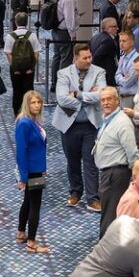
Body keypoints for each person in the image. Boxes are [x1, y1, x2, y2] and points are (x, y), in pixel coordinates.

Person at [52, 43, 106, 211]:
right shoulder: (63, 73)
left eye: (90, 57)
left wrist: (78, 94)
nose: (89, 60)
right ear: (76, 58)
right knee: (72, 160)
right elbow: (61, 99)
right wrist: (88, 99)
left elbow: (102, 95)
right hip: (69, 125)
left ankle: (92, 198)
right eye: (85, 58)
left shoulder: (99, 72)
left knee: (90, 162)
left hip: (91, 124)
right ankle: (75, 192)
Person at [95, 87, 139, 238]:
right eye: (103, 100)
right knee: (108, 211)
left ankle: (106, 251)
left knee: (110, 215)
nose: (106, 103)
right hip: (109, 172)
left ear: (117, 101)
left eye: (109, 99)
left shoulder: (122, 122)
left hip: (117, 174)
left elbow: (132, 152)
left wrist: (135, 175)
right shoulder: (109, 119)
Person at [15, 90, 49, 253]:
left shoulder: (31, 121)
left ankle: (21, 233)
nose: (37, 105)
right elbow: (21, 151)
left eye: (39, 102)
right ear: (27, 105)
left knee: (28, 202)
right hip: (32, 171)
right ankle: (32, 243)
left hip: (36, 169)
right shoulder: (24, 123)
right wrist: (23, 176)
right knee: (35, 205)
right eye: (33, 103)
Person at [4, 12, 40, 117]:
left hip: (16, 69)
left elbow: (8, 53)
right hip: (29, 68)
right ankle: (30, 113)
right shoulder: (32, 35)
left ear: (15, 22)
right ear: (27, 22)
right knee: (28, 91)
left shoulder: (10, 36)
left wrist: (14, 67)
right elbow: (36, 52)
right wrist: (32, 67)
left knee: (16, 91)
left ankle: (17, 113)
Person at [51, 0, 79, 92]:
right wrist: (72, 34)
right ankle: (62, 86)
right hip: (64, 32)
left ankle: (54, 82)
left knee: (57, 57)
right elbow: (69, 18)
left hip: (56, 30)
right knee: (66, 59)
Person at [90, 17, 120, 86]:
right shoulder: (108, 41)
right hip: (106, 77)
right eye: (115, 26)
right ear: (107, 28)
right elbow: (97, 57)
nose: (117, 29)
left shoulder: (95, 37)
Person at [115, 31, 139, 109]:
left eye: (124, 41)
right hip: (121, 97)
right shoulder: (122, 57)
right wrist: (122, 77)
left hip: (131, 98)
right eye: (120, 41)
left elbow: (127, 82)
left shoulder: (136, 59)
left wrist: (120, 78)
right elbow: (116, 76)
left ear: (132, 42)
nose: (121, 43)